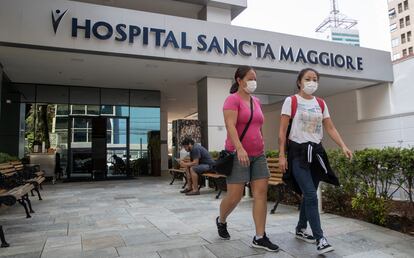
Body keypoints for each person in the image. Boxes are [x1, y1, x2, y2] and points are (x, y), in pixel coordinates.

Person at [278, 68, 353, 254]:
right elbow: (282, 131)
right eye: (307, 79)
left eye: (314, 79)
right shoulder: (291, 101)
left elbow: (330, 127)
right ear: (299, 82)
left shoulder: (320, 103)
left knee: (309, 194)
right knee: (311, 195)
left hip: (317, 152)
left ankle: (301, 228)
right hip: (298, 153)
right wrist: (281, 155)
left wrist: (343, 145)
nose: (311, 82)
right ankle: (320, 238)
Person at [216, 66, 279, 252]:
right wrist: (240, 148)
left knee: (261, 194)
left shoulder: (256, 101)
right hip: (238, 153)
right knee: (234, 196)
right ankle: (221, 220)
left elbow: (258, 125)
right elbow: (230, 125)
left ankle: (260, 237)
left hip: (258, 155)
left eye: (255, 78)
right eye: (250, 78)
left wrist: (262, 143)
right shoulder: (232, 100)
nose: (254, 81)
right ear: (239, 80)